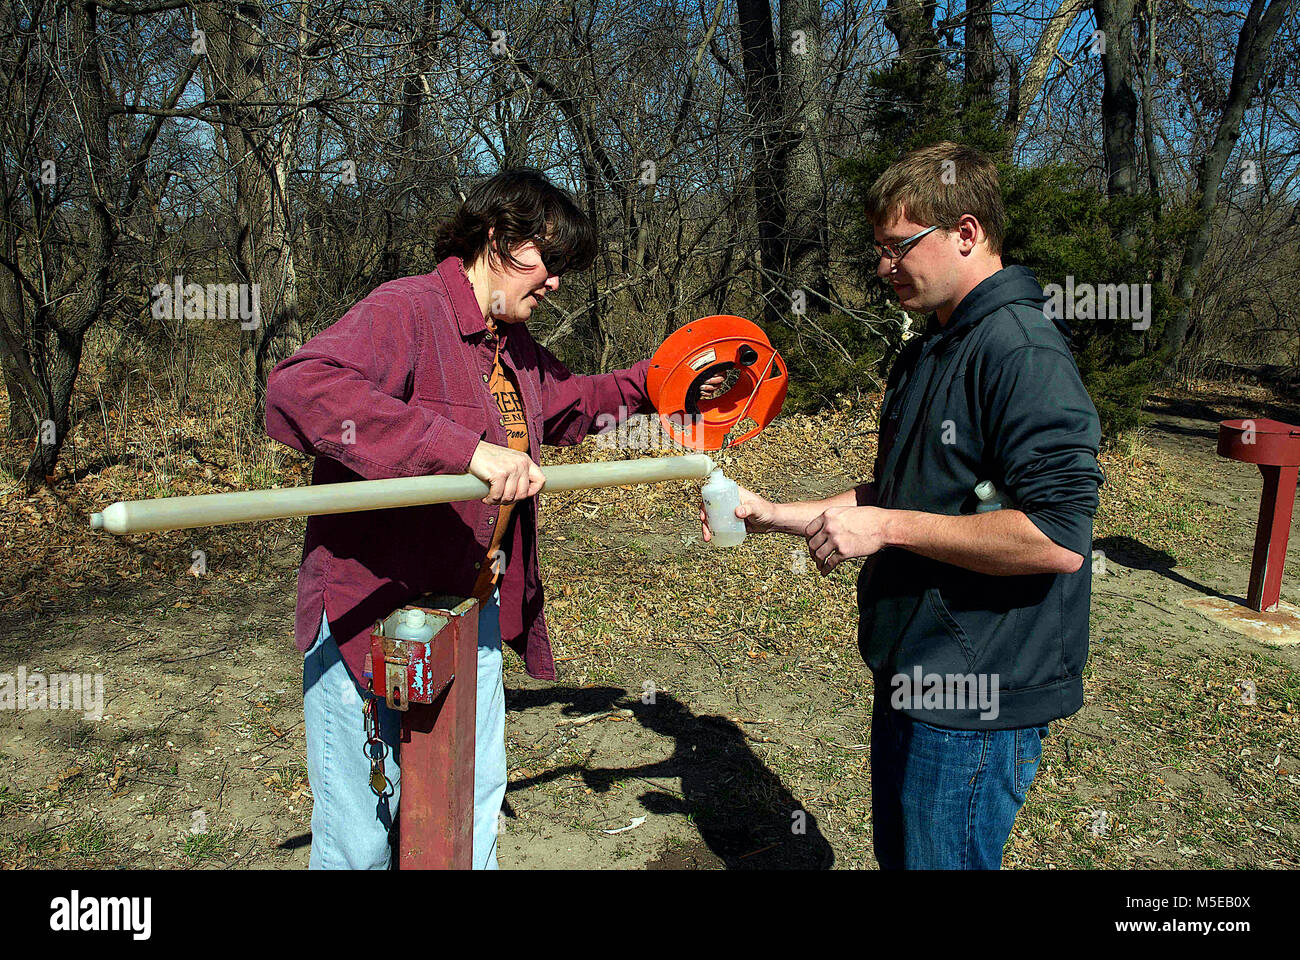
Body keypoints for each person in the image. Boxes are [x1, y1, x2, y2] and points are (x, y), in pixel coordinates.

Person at [266, 168, 720, 869]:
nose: (557, 282)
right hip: (369, 609)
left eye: (563, 266)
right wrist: (459, 449)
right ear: (497, 237)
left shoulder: (512, 349)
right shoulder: (406, 310)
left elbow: (575, 402)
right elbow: (303, 387)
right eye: (549, 259)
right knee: (362, 834)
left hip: (464, 610)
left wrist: (668, 382)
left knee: (466, 807)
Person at [701, 142, 1103, 869]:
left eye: (898, 247)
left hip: (978, 687)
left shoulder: (1020, 350)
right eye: (879, 250)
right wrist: (775, 515)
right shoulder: (936, 347)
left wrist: (884, 527)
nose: (884, 268)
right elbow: (903, 497)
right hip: (914, 666)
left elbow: (1056, 536)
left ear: (967, 234)